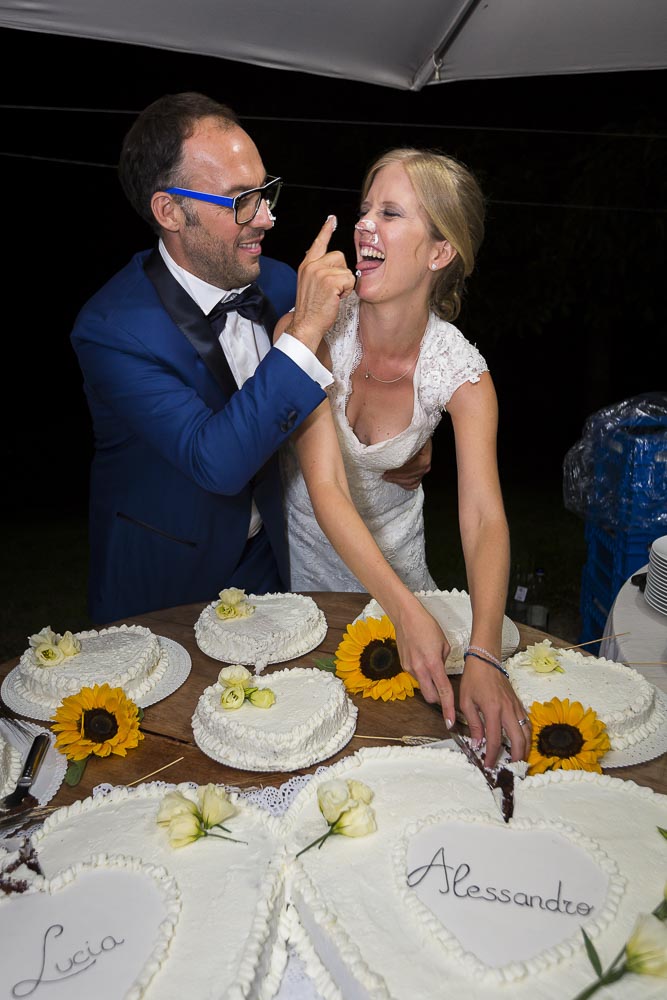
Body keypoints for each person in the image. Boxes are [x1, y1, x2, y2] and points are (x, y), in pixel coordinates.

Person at [280, 148, 530, 763]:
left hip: (405, 584)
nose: (365, 224)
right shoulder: (310, 332)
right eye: (366, 209)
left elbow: (482, 518)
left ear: (439, 253)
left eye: (390, 213)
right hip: (305, 593)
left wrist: (483, 652)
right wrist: (406, 611)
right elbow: (327, 489)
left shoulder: (464, 376)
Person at [71, 92, 354, 624]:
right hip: (165, 581)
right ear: (170, 211)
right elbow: (216, 462)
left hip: (270, 562)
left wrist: (392, 447)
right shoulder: (110, 330)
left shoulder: (278, 282)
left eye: (265, 191)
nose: (267, 218)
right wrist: (307, 327)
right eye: (241, 199)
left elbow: (321, 396)